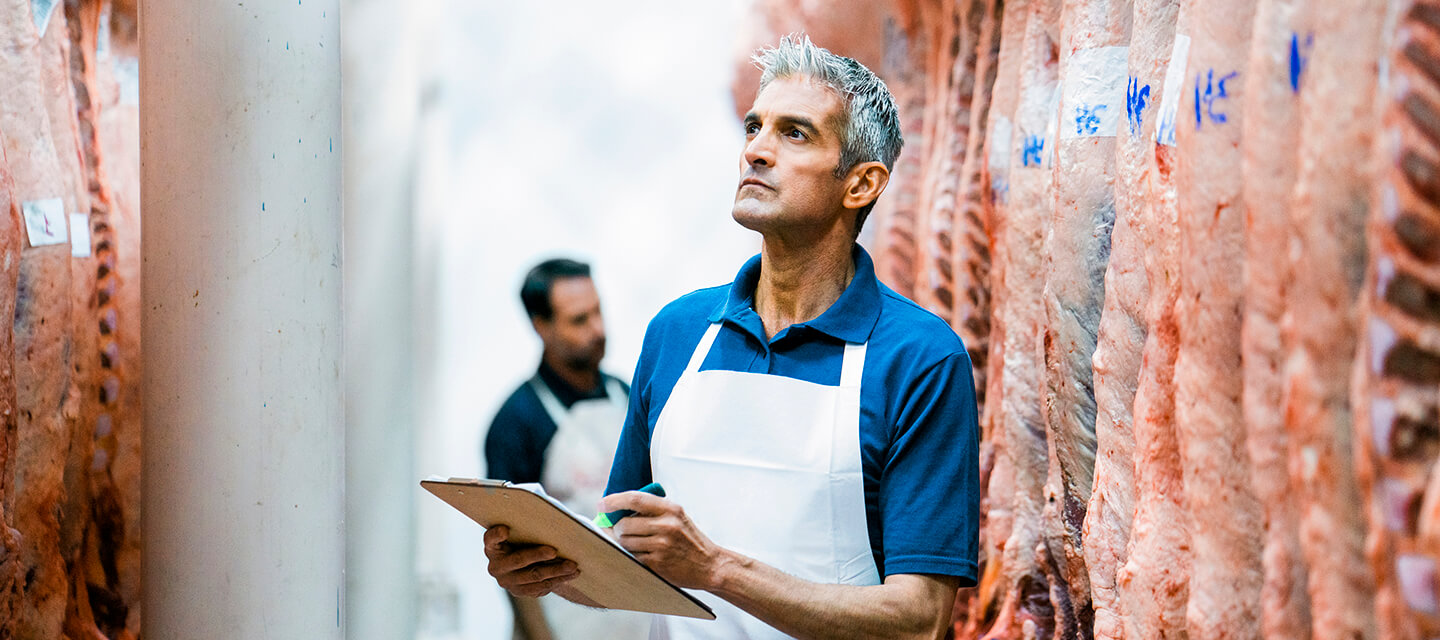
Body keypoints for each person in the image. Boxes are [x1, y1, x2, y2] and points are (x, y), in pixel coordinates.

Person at [485, 35, 980, 640]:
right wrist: (546, 563)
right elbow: (616, 539)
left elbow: (919, 620)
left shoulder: (920, 357)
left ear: (861, 184)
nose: (756, 151)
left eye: (794, 133)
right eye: (754, 127)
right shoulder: (677, 332)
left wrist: (717, 569)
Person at [483, 258, 649, 640]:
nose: (599, 329)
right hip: (561, 621)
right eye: (579, 320)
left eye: (598, 312)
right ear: (541, 326)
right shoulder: (516, 421)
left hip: (637, 617)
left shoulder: (626, 395)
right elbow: (510, 552)